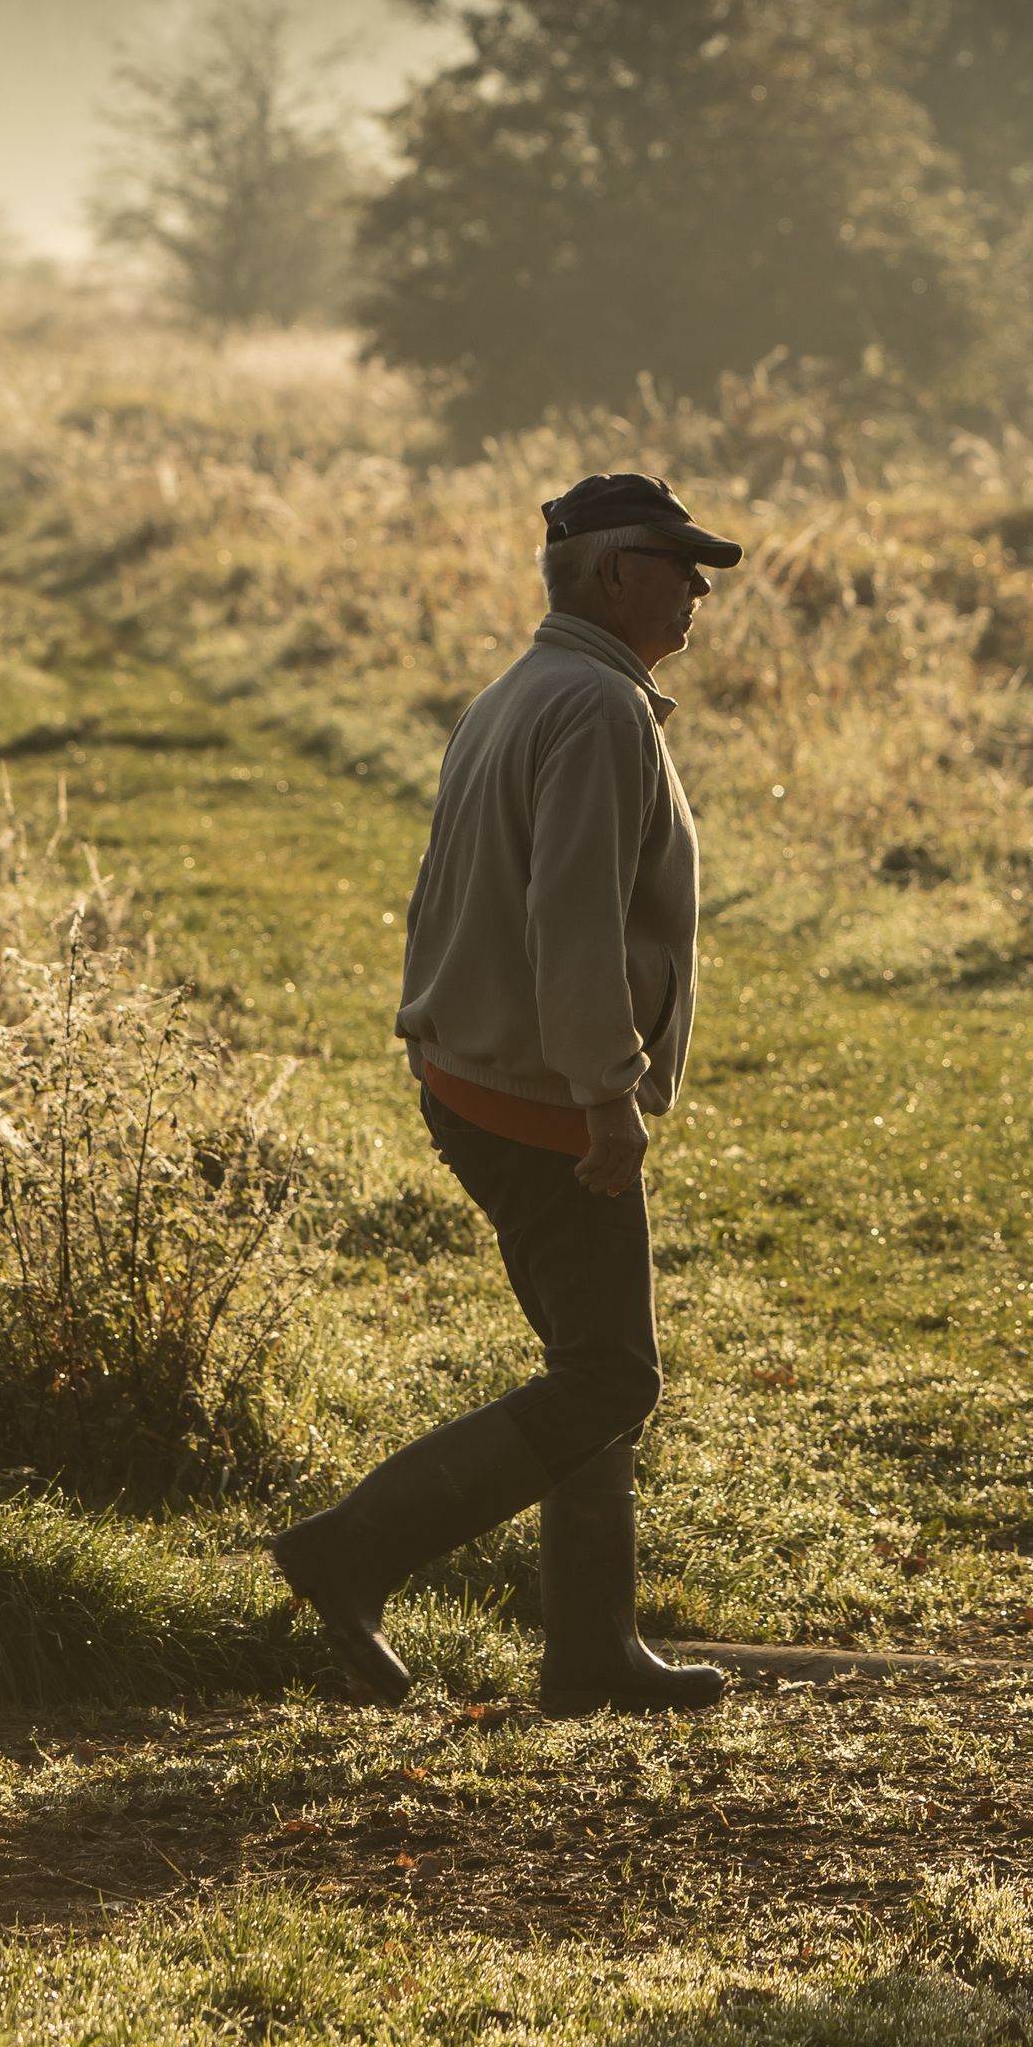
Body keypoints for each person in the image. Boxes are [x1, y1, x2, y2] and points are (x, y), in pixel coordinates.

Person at [269, 471, 741, 1716]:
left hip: (479, 1073)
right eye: (679, 564)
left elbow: (463, 886)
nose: (698, 590)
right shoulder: (596, 708)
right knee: (610, 1378)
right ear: (611, 573)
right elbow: (571, 919)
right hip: (540, 1097)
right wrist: (607, 1095)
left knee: (587, 1369)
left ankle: (593, 1648)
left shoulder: (527, 686)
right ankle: (351, 1551)